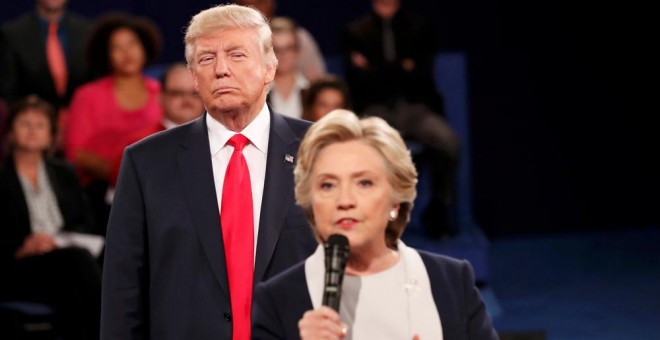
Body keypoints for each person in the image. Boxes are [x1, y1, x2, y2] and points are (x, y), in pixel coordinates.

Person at [100, 4, 317, 339]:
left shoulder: (321, 151)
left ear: (270, 68)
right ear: (194, 76)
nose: (221, 69)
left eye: (236, 55)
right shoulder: (146, 163)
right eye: (205, 59)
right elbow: (122, 290)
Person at [252, 110, 498, 339]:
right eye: (328, 185)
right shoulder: (277, 301)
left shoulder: (452, 282)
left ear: (395, 201)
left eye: (364, 183)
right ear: (310, 202)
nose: (344, 201)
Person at [344, 0, 460, 238]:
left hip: (416, 108)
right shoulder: (355, 31)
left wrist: (376, 68)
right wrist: (402, 67)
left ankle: (437, 209)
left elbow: (421, 74)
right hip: (376, 109)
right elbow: (358, 81)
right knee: (370, 151)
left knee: (449, 142)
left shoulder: (420, 27)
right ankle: (378, 219)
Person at [0, 95, 101, 340]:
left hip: (64, 257)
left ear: (51, 136)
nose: (32, 131)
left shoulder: (64, 173)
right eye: (25, 124)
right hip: (20, 264)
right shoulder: (2, 179)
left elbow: (85, 222)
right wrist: (23, 246)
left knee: (77, 276)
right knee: (76, 264)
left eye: (40, 125)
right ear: (11, 133)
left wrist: (59, 240)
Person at [64, 12, 163, 234]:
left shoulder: (162, 93)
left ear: (144, 47)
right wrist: (123, 175)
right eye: (117, 47)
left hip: (160, 189)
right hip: (102, 194)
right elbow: (76, 153)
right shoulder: (87, 95)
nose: (127, 53)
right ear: (106, 55)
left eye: (132, 44)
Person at [108, 62, 205, 187]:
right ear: (160, 97)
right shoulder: (137, 144)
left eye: (195, 94)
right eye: (177, 93)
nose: (187, 100)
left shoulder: (219, 141)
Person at [0, 0, 92, 110]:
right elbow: (8, 91)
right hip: (32, 120)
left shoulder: (88, 31)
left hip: (81, 117)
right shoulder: (12, 34)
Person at [235, 0, 326, 82]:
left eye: (259, 3)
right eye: (246, 6)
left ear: (270, 3)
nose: (254, 10)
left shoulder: (299, 38)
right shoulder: (233, 43)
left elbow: (317, 84)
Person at [267, 17, 309, 119]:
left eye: (288, 48)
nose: (282, 55)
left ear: (297, 51)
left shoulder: (311, 92)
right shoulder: (257, 94)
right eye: (276, 49)